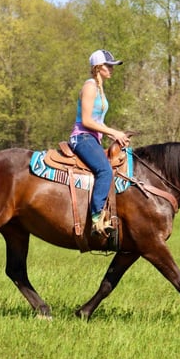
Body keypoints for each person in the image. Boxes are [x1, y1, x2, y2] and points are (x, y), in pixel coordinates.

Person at [69, 49, 130, 236]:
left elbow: (98, 122)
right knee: (104, 170)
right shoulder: (90, 87)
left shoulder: (100, 89)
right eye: (108, 65)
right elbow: (87, 121)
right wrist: (113, 132)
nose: (111, 69)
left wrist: (114, 136)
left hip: (93, 138)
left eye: (112, 66)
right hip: (82, 137)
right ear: (97, 67)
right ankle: (96, 218)